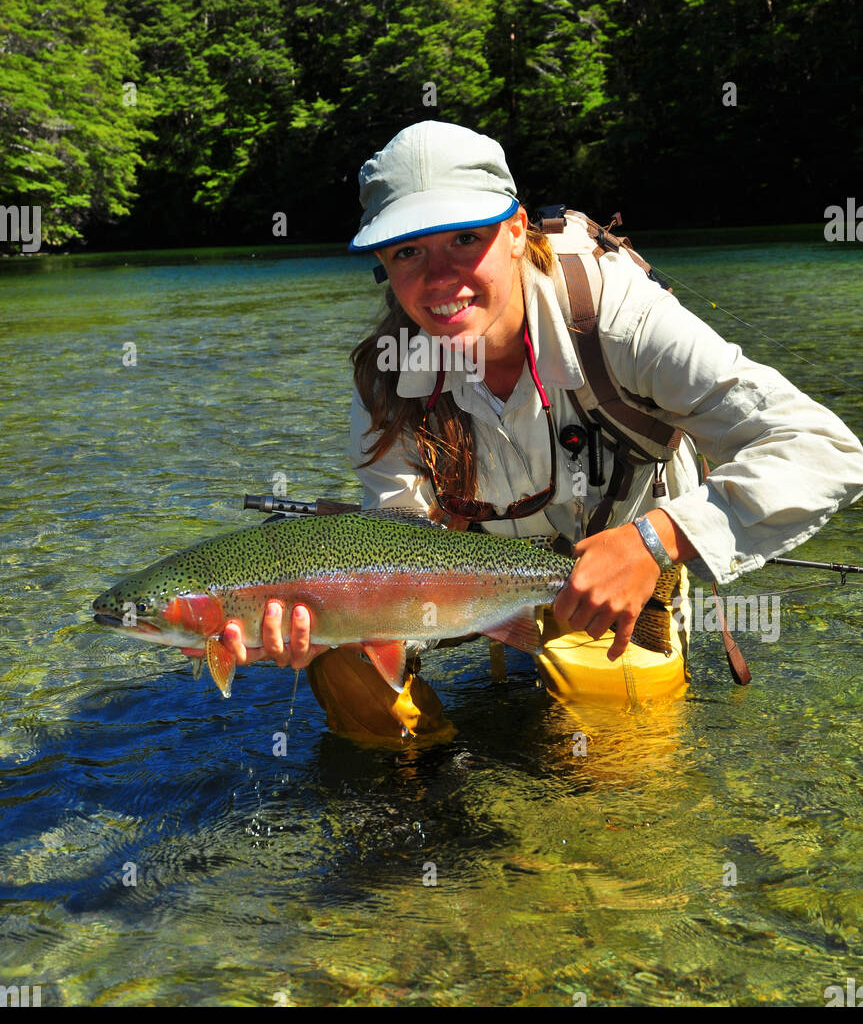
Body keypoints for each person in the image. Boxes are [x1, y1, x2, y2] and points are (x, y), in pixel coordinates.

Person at [207, 121, 863, 743]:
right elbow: (397, 538)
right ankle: (425, 811)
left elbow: (824, 451)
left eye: (466, 239)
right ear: (383, 262)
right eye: (408, 251)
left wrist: (655, 540)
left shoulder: (618, 319)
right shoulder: (385, 379)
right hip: (470, 585)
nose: (440, 278)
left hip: (638, 572)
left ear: (517, 230)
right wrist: (326, 620)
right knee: (349, 675)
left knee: (609, 739)